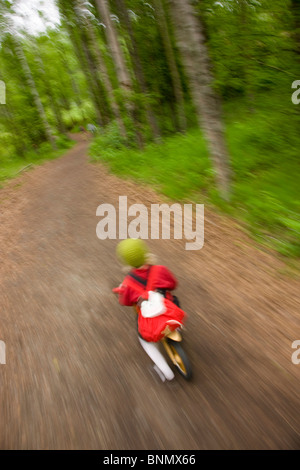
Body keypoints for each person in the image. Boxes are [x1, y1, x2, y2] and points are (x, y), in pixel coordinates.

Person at [114, 238, 180, 382]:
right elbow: (173, 284)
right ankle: (178, 328)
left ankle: (166, 371)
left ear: (126, 262)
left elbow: (125, 301)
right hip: (168, 310)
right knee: (175, 301)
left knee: (145, 341)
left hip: (150, 318)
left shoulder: (128, 283)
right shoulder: (161, 270)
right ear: (146, 253)